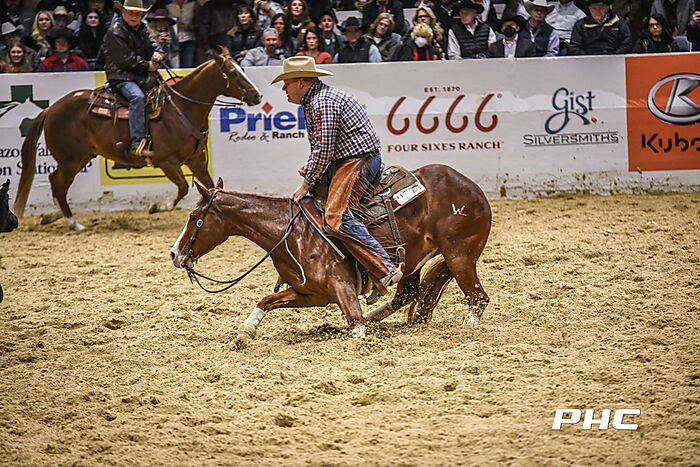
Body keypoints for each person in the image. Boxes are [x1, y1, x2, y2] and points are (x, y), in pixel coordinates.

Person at [271, 56, 403, 291]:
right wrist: (311, 166)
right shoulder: (316, 101)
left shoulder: (322, 103)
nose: (283, 88)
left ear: (300, 82)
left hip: (359, 161)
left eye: (286, 83)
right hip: (347, 160)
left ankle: (384, 266)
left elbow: (324, 149)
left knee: (336, 217)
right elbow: (321, 147)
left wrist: (306, 183)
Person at [104, 0, 164, 160]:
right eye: (131, 13)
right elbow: (126, 59)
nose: (134, 16)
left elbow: (153, 44)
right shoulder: (115, 31)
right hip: (121, 76)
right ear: (123, 12)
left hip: (139, 75)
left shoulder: (142, 28)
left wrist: (159, 52)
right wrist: (148, 65)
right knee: (137, 97)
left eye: (138, 14)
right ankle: (137, 142)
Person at [166, 0, 197, 67]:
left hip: (189, 39)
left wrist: (189, 27)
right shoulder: (168, 6)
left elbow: (199, 23)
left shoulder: (193, 5)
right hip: (173, 41)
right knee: (174, 67)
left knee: (187, 66)